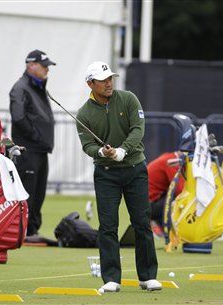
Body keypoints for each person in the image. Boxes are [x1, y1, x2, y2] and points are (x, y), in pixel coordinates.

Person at [76, 61, 161, 292]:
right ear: (90, 84)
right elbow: (88, 146)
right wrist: (102, 152)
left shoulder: (128, 99)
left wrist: (123, 150)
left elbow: (137, 129)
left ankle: (147, 276)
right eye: (103, 80)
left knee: (142, 222)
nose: (108, 83)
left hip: (135, 169)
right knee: (108, 226)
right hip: (106, 174)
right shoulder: (84, 114)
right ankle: (112, 279)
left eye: (110, 78)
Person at [9, 49, 56, 242]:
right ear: (31, 65)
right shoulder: (20, 87)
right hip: (28, 150)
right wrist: (36, 136)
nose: (47, 70)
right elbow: (19, 118)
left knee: (38, 192)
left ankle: (32, 231)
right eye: (44, 66)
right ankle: (23, 232)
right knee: (27, 192)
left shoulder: (38, 87)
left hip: (40, 149)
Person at [147, 151, 184, 232]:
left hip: (144, 205)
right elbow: (180, 190)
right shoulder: (173, 162)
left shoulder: (170, 157)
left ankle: (160, 226)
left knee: (171, 193)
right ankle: (169, 229)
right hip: (148, 207)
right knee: (176, 195)